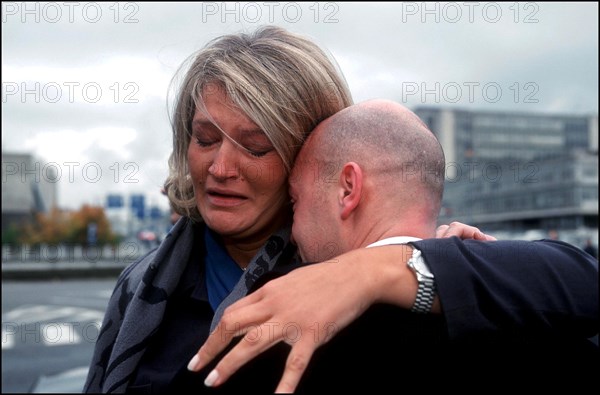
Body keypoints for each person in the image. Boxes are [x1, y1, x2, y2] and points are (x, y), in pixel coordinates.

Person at [84, 26, 598, 393]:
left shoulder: (367, 264)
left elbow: (579, 283)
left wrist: (383, 268)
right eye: (203, 138)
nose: (220, 167)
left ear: (308, 154)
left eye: (255, 146)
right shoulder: (142, 286)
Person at [189, 100, 599, 392]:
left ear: (348, 188)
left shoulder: (267, 339)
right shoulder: (546, 317)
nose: (291, 229)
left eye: (295, 202)